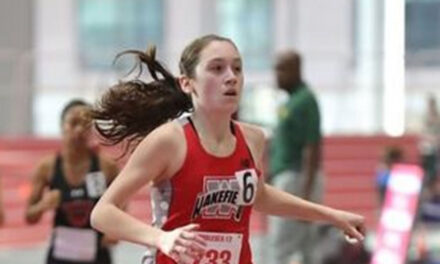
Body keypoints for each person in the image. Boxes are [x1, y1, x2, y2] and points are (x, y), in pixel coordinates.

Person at [89, 34, 366, 264]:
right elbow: (102, 213)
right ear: (187, 83)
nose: (231, 77)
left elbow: (259, 195)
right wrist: (161, 237)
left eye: (237, 68)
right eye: (217, 68)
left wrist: (332, 215)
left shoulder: (253, 139)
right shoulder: (169, 141)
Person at [25, 99, 119, 264]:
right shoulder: (47, 167)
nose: (79, 130)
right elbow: (29, 216)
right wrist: (43, 205)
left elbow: (121, 205)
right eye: (73, 123)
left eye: (85, 124)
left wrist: (114, 230)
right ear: (62, 127)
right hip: (60, 255)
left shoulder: (106, 166)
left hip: (98, 254)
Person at [268, 50, 323, 264]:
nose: (277, 74)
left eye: (281, 69)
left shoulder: (306, 100)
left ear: (296, 70)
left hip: (297, 178)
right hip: (286, 176)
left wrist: (307, 193)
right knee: (292, 245)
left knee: (285, 245)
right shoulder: (290, 101)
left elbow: (312, 145)